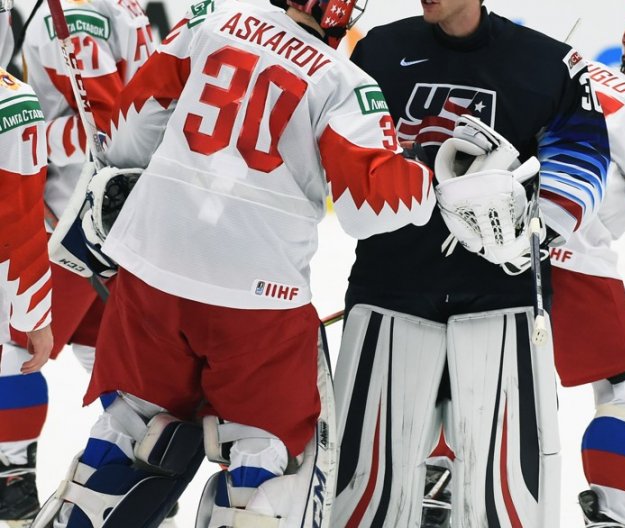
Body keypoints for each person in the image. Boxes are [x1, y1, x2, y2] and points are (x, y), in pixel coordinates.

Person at [29, 0, 438, 526]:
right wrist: (433, 178)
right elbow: (368, 209)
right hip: (257, 297)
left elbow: (133, 132)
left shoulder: (211, 21)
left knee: (131, 425)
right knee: (266, 457)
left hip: (151, 270)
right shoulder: (344, 81)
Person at [331, 0, 611, 527]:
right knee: (365, 495)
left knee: (504, 502)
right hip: (391, 287)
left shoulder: (549, 63)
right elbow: (339, 145)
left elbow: (583, 154)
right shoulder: (378, 51)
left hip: (501, 300)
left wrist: (532, 230)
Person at [0, 0, 155, 524]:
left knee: (15, 348)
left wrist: (25, 143)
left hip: (72, 224)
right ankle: (140, 472)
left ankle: (11, 482)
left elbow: (107, 124)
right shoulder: (119, 6)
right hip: (109, 218)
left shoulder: (75, 13)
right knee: (106, 358)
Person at [550, 8, 625, 527]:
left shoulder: (579, 70)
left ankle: (439, 473)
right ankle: (612, 513)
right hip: (571, 259)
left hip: (492, 242)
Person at [0, 1, 54, 523]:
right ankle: (12, 478)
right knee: (20, 359)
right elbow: (21, 225)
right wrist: (35, 318)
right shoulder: (13, 102)